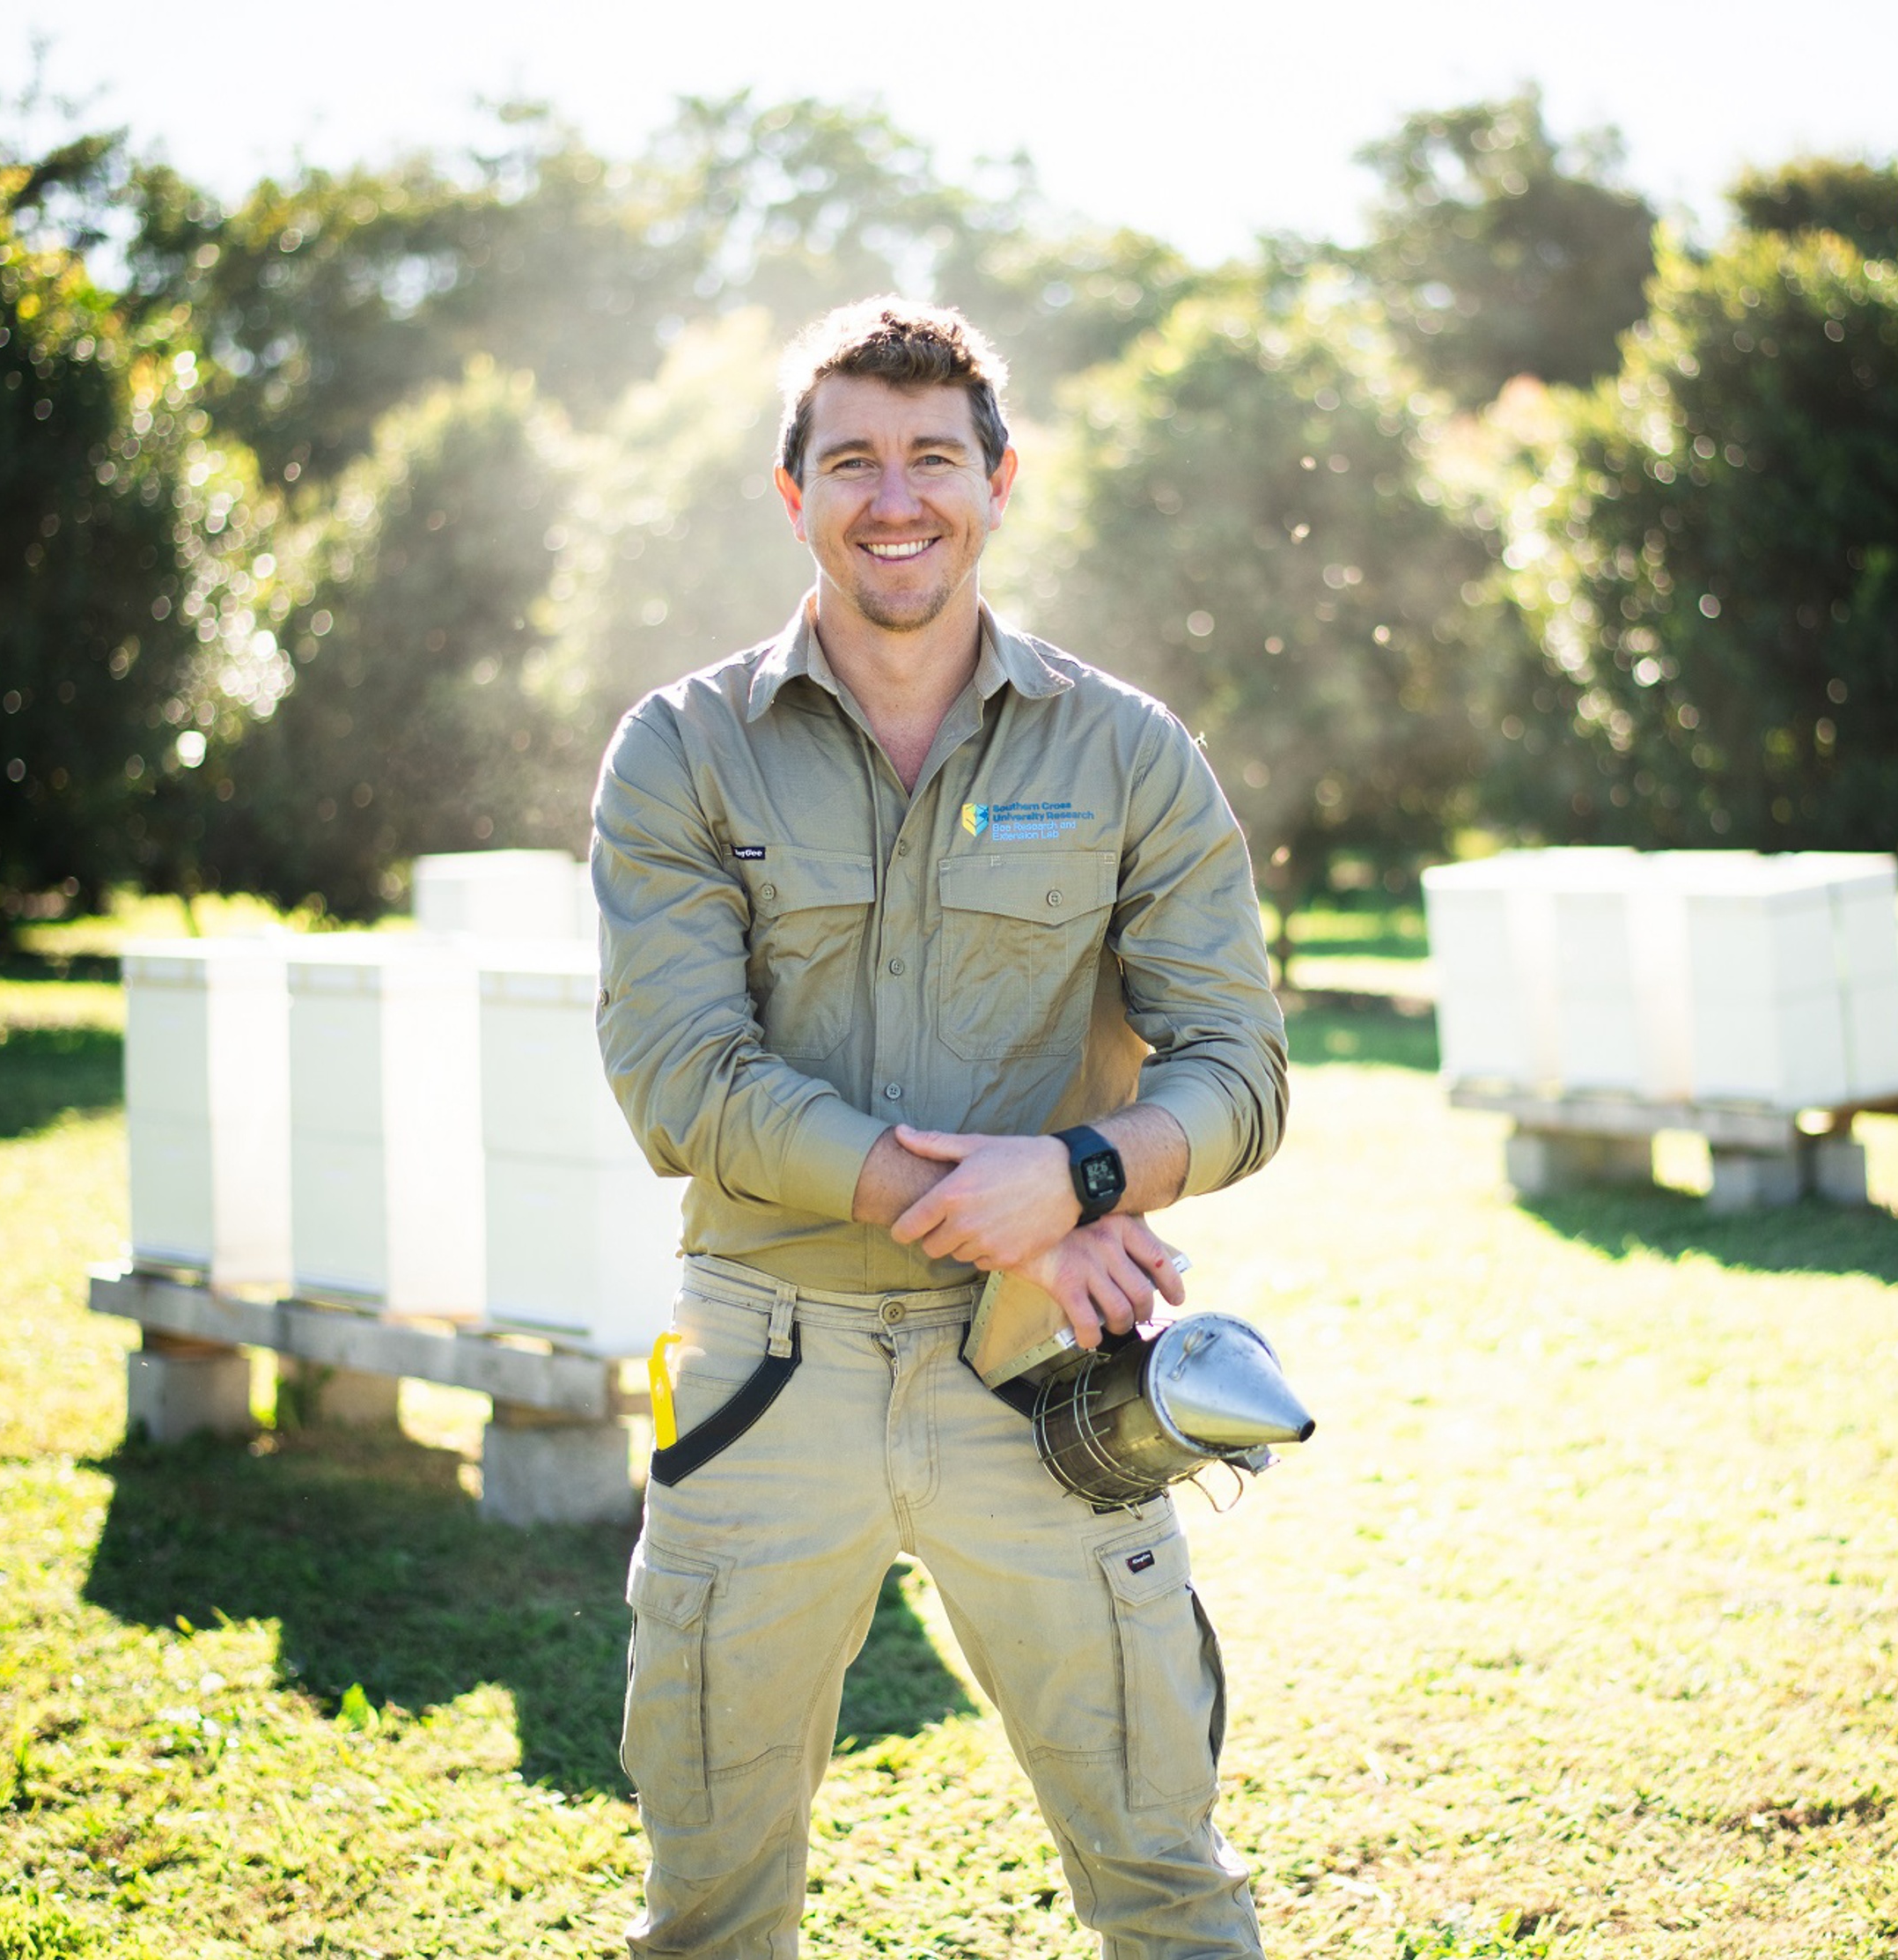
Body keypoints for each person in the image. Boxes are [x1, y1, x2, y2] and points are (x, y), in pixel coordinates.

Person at [592, 296, 1288, 1959]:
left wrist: (1074, 1178)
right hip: (764, 1372)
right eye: (850, 461)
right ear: (792, 495)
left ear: (998, 480)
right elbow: (679, 1075)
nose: (892, 497)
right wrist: (1004, 1196)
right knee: (708, 1898)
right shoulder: (680, 750)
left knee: (1160, 1866)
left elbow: (1240, 1065)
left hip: (1046, 1372)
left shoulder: (1127, 752)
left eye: (930, 458)